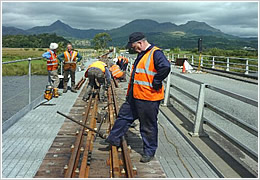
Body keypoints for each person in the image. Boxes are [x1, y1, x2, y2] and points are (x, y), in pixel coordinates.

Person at [105, 32, 171, 163]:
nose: (133, 48)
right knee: (124, 116)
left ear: (140, 43)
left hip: (148, 97)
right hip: (135, 95)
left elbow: (165, 67)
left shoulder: (156, 53)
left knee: (147, 125)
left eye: (134, 46)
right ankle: (113, 139)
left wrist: (156, 81)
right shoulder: (142, 54)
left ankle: (149, 151)